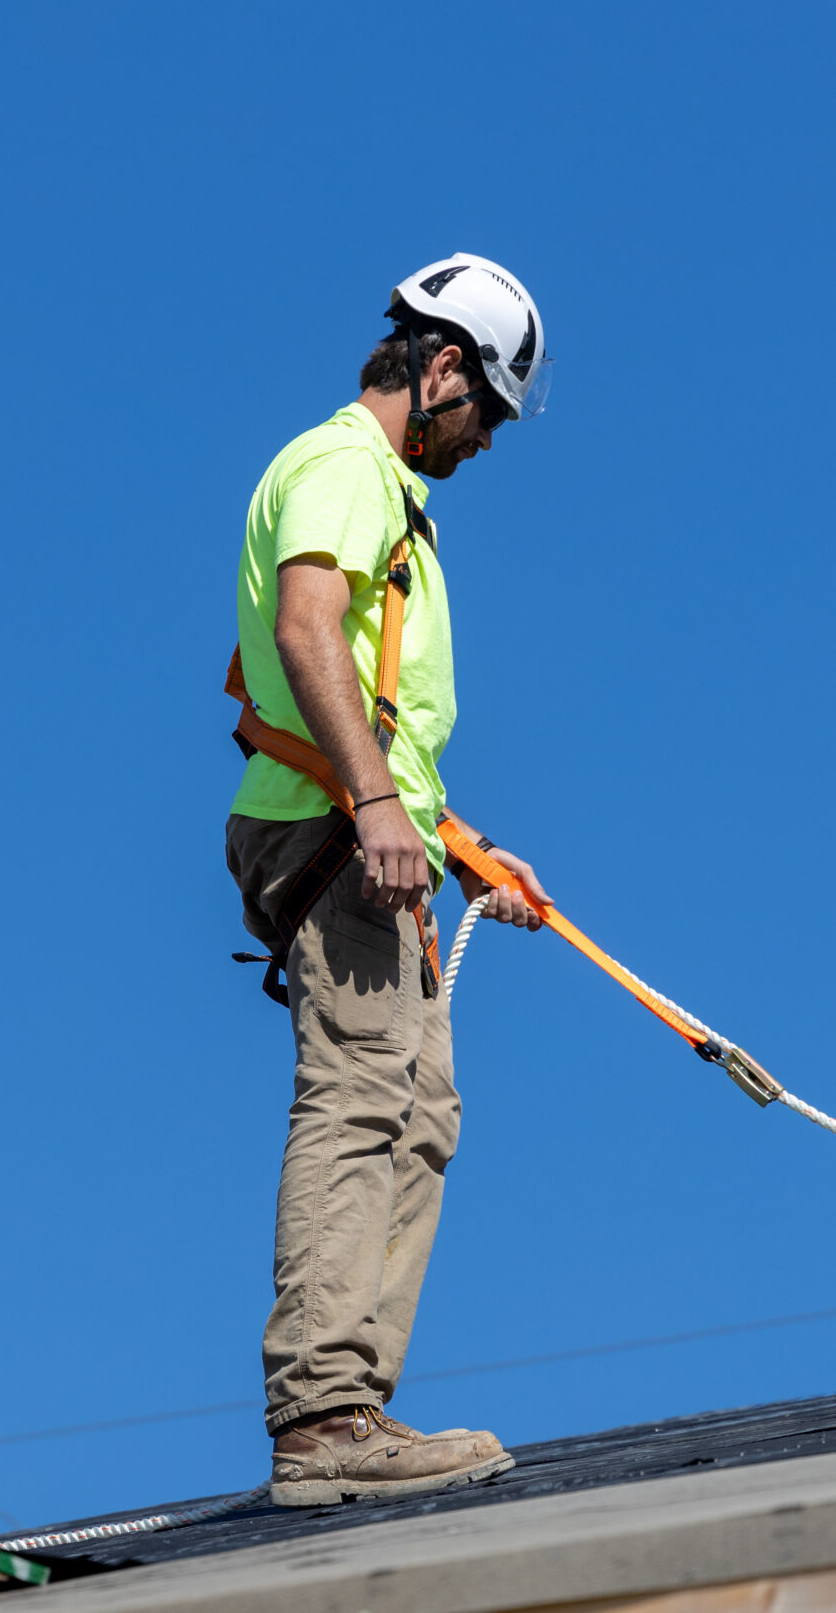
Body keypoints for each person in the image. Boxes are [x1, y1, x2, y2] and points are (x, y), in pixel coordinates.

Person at [224, 255, 558, 1506]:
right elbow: (306, 634)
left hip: (363, 835)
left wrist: (449, 840)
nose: (483, 444)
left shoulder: (381, 493)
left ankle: (352, 1405)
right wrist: (370, 805)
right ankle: (321, 1417)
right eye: (485, 414)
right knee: (364, 1095)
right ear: (443, 367)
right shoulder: (341, 470)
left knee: (420, 1112)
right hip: (329, 833)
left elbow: (343, 686)